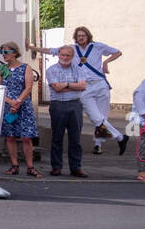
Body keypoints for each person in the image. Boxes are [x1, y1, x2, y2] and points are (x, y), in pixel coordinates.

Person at [29, 27, 127, 156]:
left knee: (103, 117)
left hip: (101, 84)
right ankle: (120, 137)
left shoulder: (97, 46)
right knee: (96, 118)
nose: (81, 38)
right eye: (79, 35)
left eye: (83, 35)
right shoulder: (71, 49)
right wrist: (32, 48)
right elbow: (51, 50)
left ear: (88, 36)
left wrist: (106, 63)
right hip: (85, 87)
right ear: (76, 37)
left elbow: (117, 52)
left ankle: (98, 145)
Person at [0, 42, 38, 176]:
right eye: (2, 52)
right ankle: (14, 165)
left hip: (23, 105)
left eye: (6, 52)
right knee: (10, 137)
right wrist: (10, 102)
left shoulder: (25, 67)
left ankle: (30, 166)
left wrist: (18, 101)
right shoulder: (1, 69)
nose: (4, 55)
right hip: (7, 105)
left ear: (14, 52)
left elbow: (28, 87)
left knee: (26, 137)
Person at [45, 45, 87, 177]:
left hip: (75, 105)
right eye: (62, 55)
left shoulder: (78, 69)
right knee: (57, 137)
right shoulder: (51, 70)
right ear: (58, 55)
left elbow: (83, 86)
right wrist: (74, 86)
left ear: (72, 56)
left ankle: (76, 167)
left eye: (68, 55)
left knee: (76, 138)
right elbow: (56, 88)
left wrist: (66, 85)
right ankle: (56, 167)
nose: (65, 57)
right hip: (58, 105)